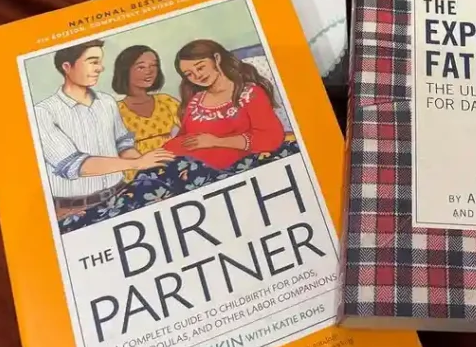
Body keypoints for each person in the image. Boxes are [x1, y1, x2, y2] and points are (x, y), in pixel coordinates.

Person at [34, 40, 174, 221]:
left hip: (121, 195)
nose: (100, 68)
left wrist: (151, 165)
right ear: (67, 67)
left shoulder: (107, 102)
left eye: (100, 62)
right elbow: (74, 165)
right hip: (74, 210)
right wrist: (138, 163)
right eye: (93, 62)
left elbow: (123, 144)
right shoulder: (43, 112)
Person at [162, 39, 287, 170]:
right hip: (183, 165)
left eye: (200, 67)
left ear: (216, 58)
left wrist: (216, 141)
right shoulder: (196, 100)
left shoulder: (250, 94)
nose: (197, 75)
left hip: (222, 169)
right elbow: (183, 138)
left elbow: (271, 137)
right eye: (189, 74)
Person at [111, 45, 180, 181]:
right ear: (125, 71)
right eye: (141, 67)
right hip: (137, 175)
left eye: (154, 65)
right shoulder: (115, 110)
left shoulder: (166, 101)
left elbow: (191, 128)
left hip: (173, 167)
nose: (149, 71)